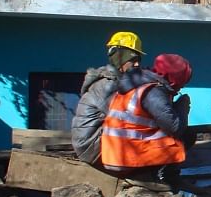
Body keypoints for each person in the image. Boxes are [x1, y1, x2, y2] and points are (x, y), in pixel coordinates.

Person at [100, 54, 194, 183]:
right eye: (181, 83)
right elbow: (175, 128)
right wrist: (183, 107)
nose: (181, 88)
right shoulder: (153, 91)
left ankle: (150, 175)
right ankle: (159, 178)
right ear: (173, 79)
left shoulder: (135, 83)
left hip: (112, 154)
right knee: (187, 135)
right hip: (126, 158)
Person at [72, 32, 144, 165]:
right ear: (119, 58)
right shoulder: (108, 85)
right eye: (133, 60)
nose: (137, 64)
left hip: (94, 141)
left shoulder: (117, 80)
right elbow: (126, 117)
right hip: (91, 147)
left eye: (139, 60)